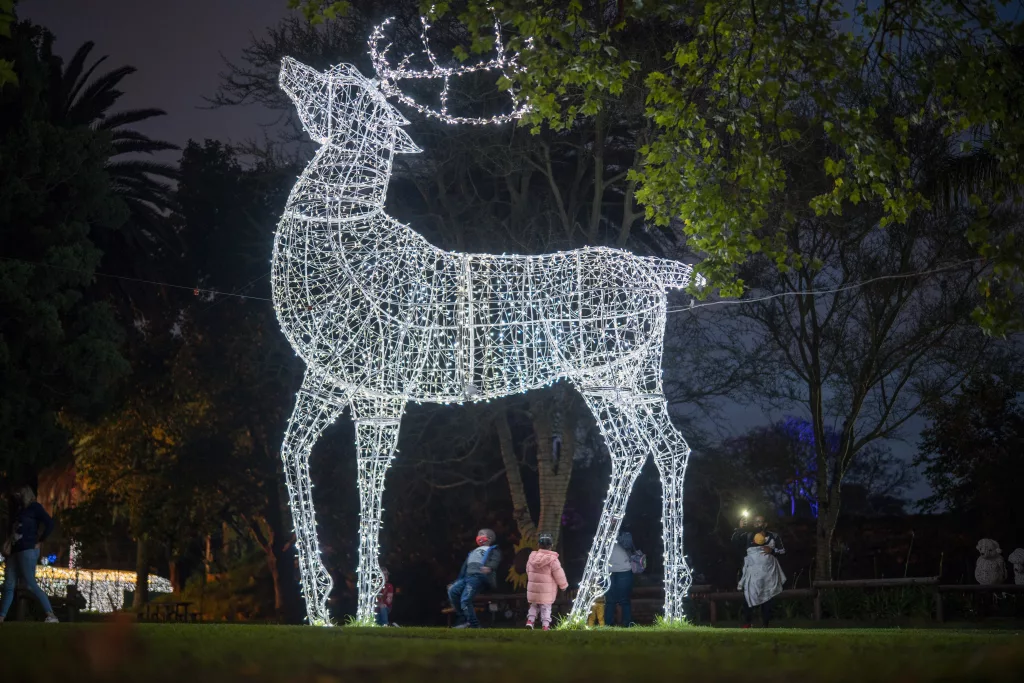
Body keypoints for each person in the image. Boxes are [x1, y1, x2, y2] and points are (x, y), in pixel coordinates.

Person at [1, 486, 59, 623]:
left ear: (26, 495)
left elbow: (49, 523)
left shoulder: (35, 508)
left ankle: (51, 615)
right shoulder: (20, 509)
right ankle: (1, 617)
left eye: (20, 495)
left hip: (28, 550)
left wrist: (40, 541)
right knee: (9, 585)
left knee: (30, 584)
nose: (18, 497)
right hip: (15, 551)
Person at [731, 513, 786, 628]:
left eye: (759, 521)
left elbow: (782, 551)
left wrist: (772, 551)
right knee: (749, 595)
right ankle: (747, 623)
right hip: (753, 572)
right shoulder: (748, 535)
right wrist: (740, 528)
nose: (757, 524)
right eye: (755, 522)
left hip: (769, 574)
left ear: (765, 524)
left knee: (767, 597)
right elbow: (734, 542)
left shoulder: (774, 536)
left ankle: (765, 624)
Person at [447, 528, 501, 629]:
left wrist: (489, 567)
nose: (479, 536)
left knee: (465, 599)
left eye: (482, 534)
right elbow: (464, 568)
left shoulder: (493, 549)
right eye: (478, 534)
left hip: (478, 577)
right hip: (467, 577)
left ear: (489, 538)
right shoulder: (472, 552)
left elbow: (495, 559)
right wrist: (456, 582)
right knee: (452, 591)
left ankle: (474, 625)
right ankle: (464, 618)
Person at [525, 533, 568, 631]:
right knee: (546, 607)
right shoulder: (553, 560)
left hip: (533, 588)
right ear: (551, 545)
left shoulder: (532, 557)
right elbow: (559, 574)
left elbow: (528, 570)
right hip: (546, 590)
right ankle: (545, 625)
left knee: (534, 605)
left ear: (538, 545)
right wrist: (563, 585)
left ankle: (530, 621)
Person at [604, 531, 635, 627]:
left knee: (624, 599)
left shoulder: (625, 534)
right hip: (608, 571)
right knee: (610, 600)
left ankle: (627, 623)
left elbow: (628, 545)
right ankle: (608, 624)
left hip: (624, 570)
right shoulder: (604, 532)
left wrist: (616, 535)